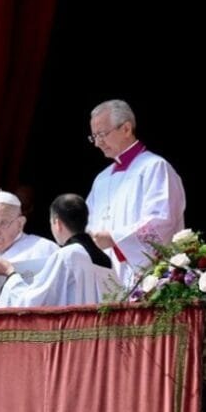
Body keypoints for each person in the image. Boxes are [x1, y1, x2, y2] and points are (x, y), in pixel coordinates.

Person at [85, 99, 186, 288]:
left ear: (126, 129)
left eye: (102, 134)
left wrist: (114, 238)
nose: (98, 143)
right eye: (94, 137)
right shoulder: (102, 179)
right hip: (105, 278)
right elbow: (88, 223)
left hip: (146, 278)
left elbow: (162, 222)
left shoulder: (155, 167)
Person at [0, 193, 118, 307]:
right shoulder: (105, 259)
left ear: (57, 223)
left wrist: (9, 273)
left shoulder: (67, 255)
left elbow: (33, 302)